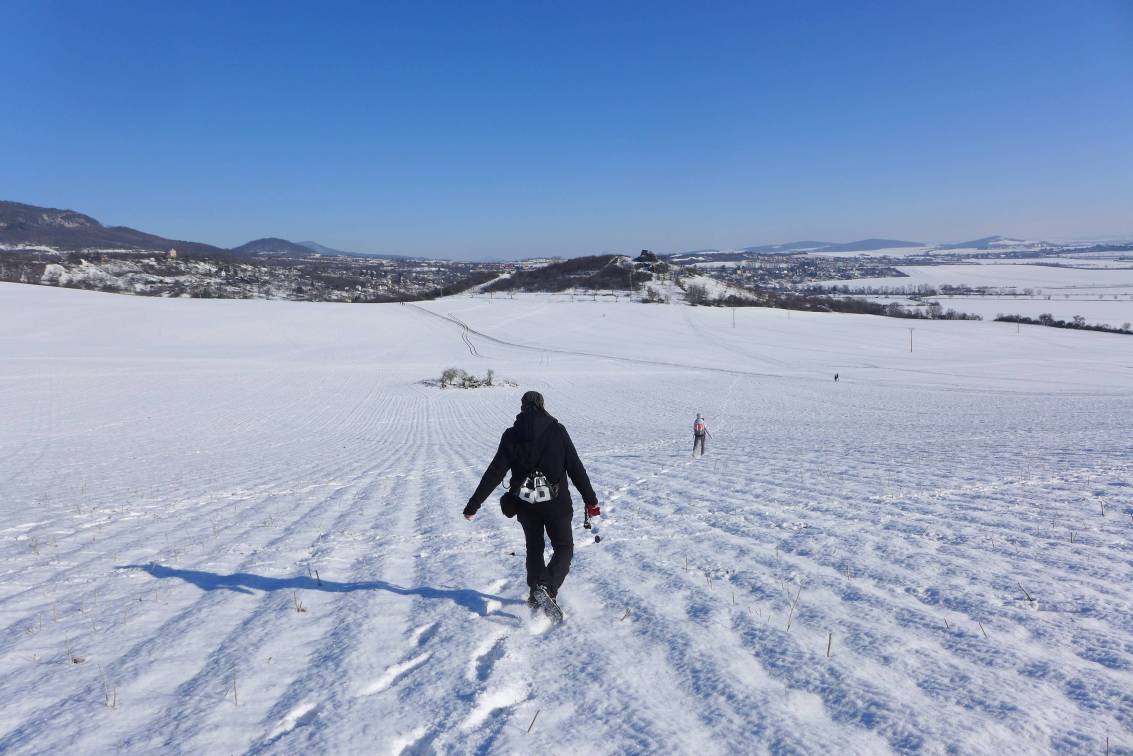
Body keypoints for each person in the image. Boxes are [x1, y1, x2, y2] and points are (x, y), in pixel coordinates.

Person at [463, 390, 600, 612]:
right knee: (564, 547)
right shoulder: (557, 430)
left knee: (534, 549)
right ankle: (547, 587)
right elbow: (575, 467)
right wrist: (591, 501)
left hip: (526, 504)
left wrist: (473, 505)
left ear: (522, 407)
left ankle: (536, 595)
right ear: (542, 405)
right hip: (557, 504)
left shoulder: (511, 435)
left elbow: (495, 472)